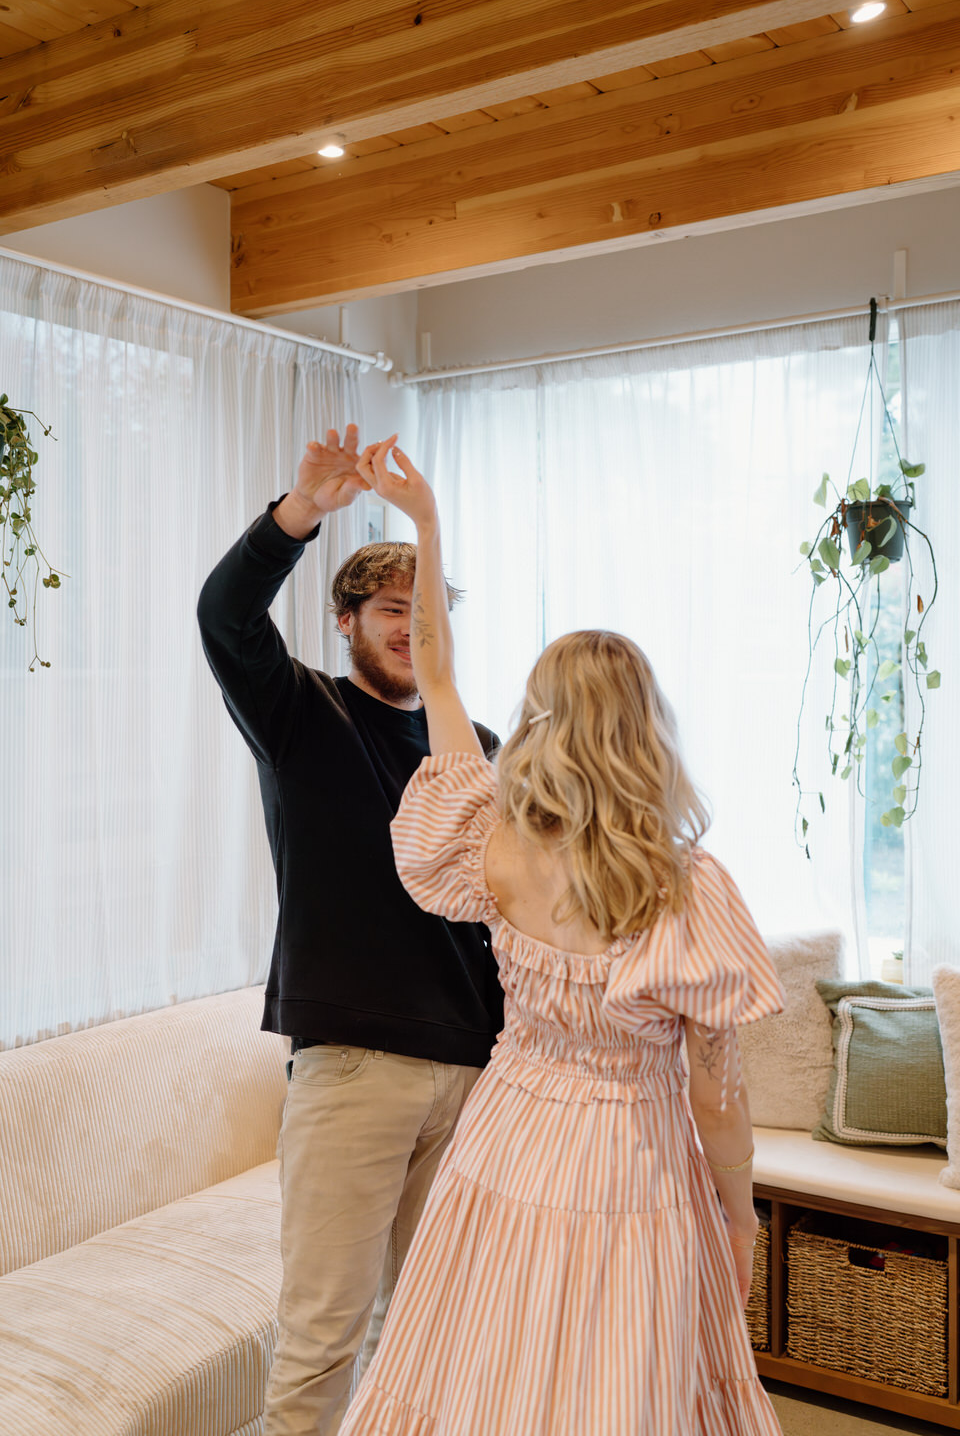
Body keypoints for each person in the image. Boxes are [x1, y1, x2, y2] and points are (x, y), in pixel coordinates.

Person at [337, 438, 786, 1436]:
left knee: (485, 1374)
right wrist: (741, 1211)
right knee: (617, 1383)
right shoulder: (688, 890)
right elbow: (717, 1092)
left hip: (504, 1140)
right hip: (633, 1163)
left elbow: (440, 685)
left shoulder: (490, 835)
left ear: (539, 722)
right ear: (646, 730)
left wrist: (429, 518)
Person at [196, 426, 504, 1436]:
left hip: (474, 1076)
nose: (411, 628)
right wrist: (300, 512)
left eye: (430, 612)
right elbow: (225, 615)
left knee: (429, 1335)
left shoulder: (484, 749)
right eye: (390, 609)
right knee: (323, 1333)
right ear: (346, 622)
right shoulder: (298, 713)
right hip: (354, 1070)